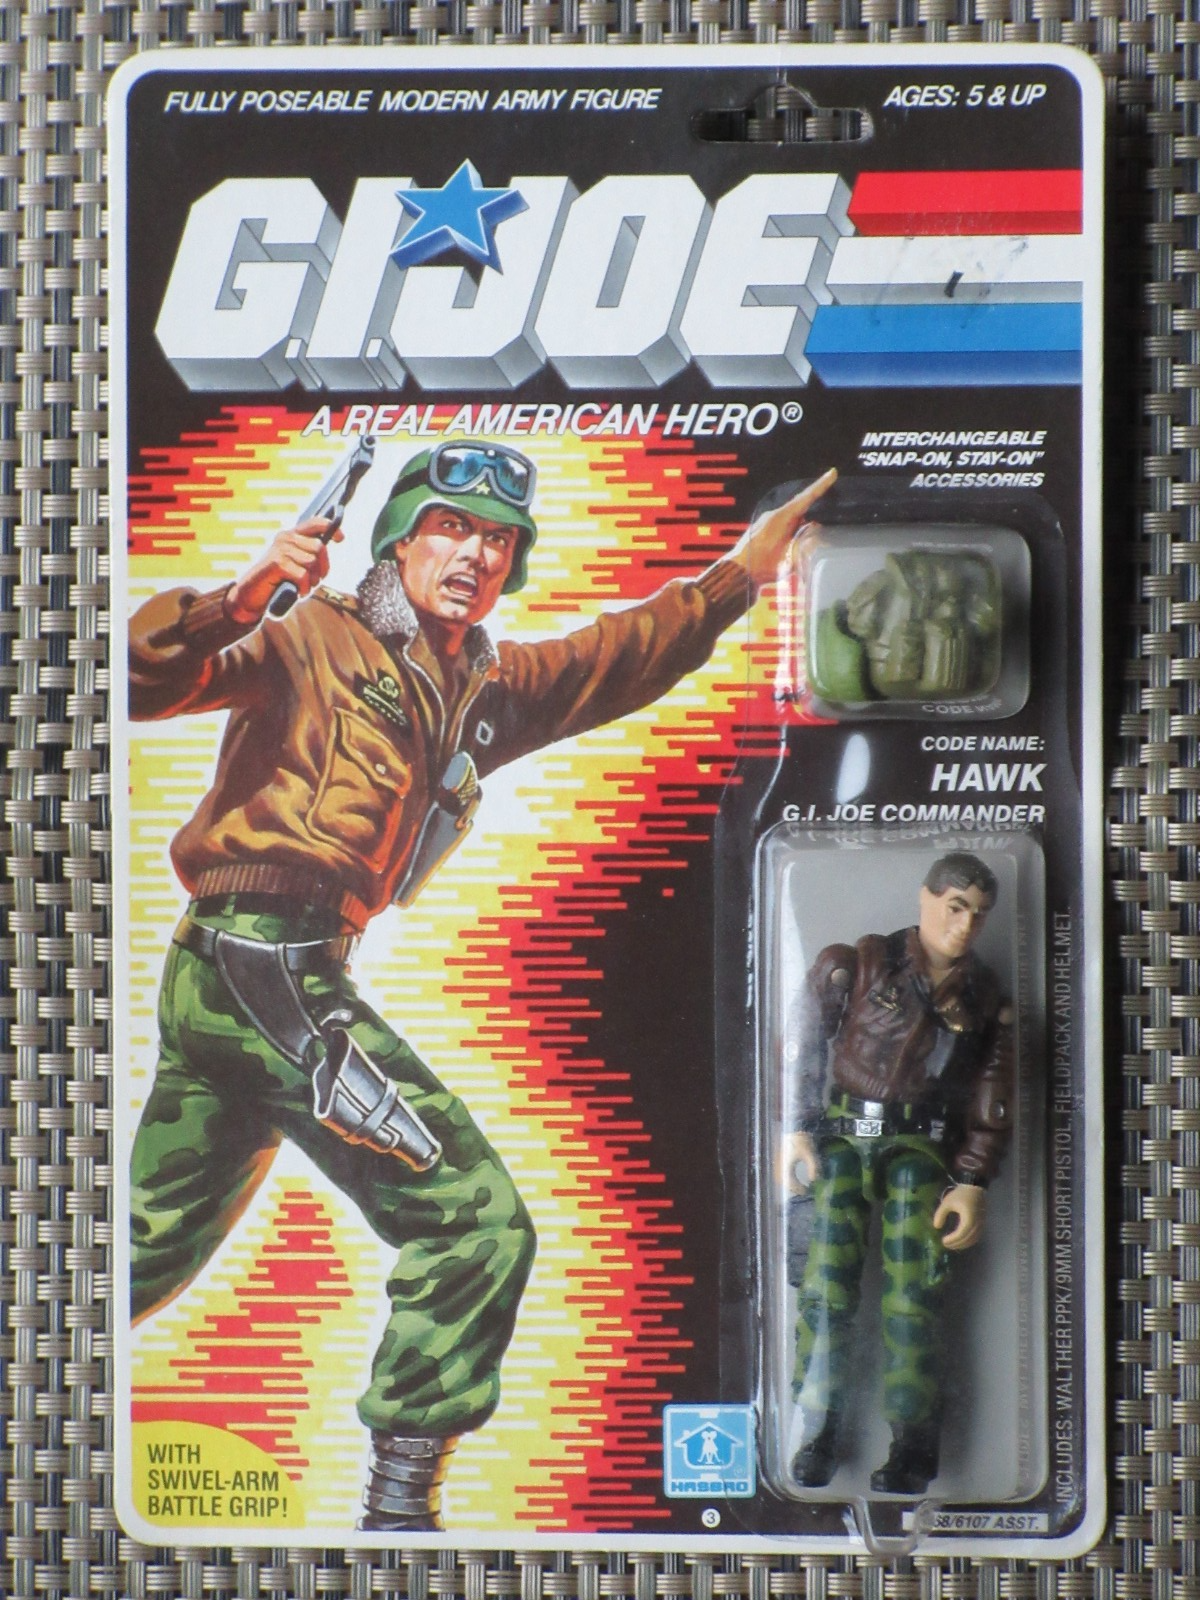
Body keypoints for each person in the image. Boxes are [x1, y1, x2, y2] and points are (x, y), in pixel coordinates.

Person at [127, 439, 837, 1531]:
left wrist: (743, 571)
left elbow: (616, 657)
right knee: (476, 1224)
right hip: (264, 972)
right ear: (399, 540)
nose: (475, 555)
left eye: (499, 539)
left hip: (241, 977)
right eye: (451, 528)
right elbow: (135, 679)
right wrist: (238, 597)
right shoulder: (308, 634)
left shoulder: (479, 689)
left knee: (140, 1248)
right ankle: (399, 1514)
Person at [781, 852, 1014, 1496]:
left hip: (921, 1150)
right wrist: (795, 1127)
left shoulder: (983, 997)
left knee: (915, 1296)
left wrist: (973, 1180)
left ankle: (913, 1443)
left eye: (979, 913)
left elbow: (993, 1096)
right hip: (843, 1140)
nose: (964, 925)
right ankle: (816, 1428)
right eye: (955, 907)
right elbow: (802, 1043)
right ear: (926, 899)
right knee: (824, 1287)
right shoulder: (859, 963)